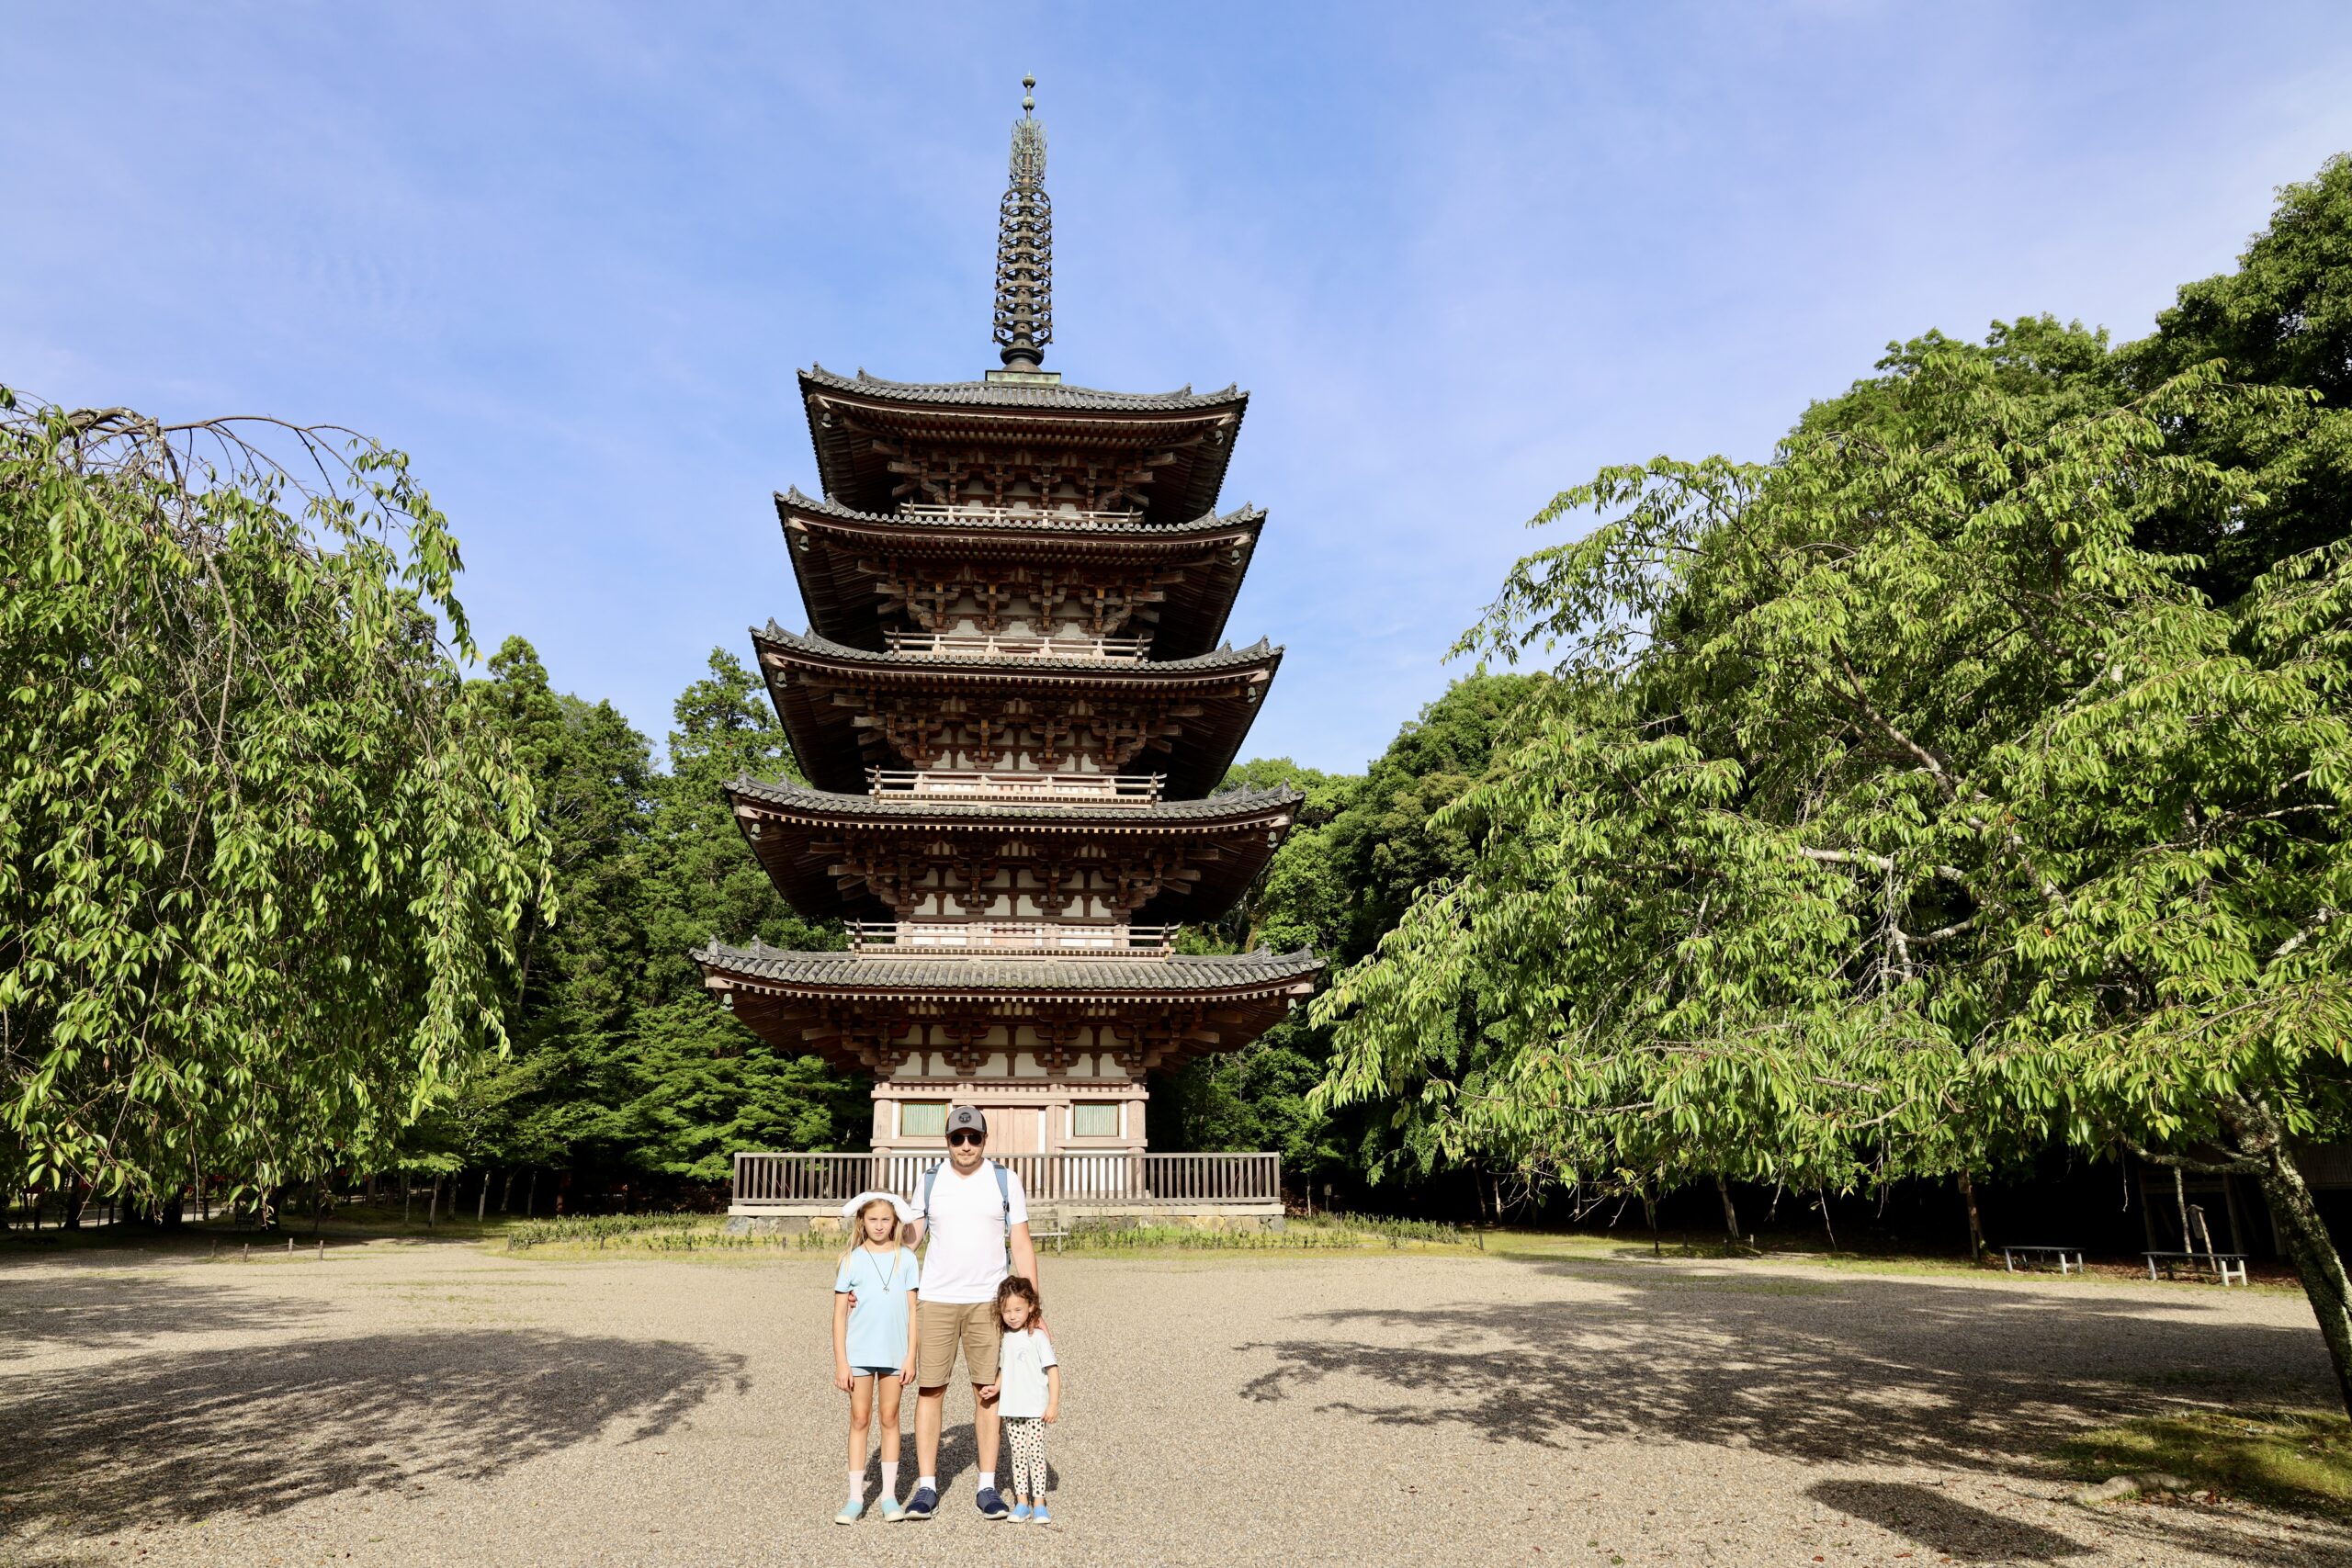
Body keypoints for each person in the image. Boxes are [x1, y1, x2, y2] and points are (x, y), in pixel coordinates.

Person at [899, 1106, 1040, 1521]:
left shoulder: (1004, 1179)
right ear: (946, 1140)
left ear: (984, 1140)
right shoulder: (929, 1180)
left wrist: (1033, 1308)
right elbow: (911, 1239)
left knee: (987, 1390)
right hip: (937, 1297)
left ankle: (987, 1485)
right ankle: (926, 1486)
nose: (965, 1146)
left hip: (988, 1299)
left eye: (973, 1138)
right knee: (931, 1388)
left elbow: (1021, 1242)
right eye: (958, 1138)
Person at [831, 1190, 919, 1524]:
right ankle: (855, 1497)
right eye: (873, 1220)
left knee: (890, 1417)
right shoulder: (851, 1259)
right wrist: (841, 1361)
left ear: (894, 1222)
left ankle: (888, 1495)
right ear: (862, 1222)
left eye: (885, 1219)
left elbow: (913, 1311)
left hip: (895, 1352)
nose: (879, 1225)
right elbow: (839, 1314)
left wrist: (911, 1356)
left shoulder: (906, 1259)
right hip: (860, 1352)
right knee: (859, 1418)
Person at [980, 1275, 1059, 1524]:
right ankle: (1022, 1502)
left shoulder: (1037, 1337)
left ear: (1031, 1307)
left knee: (1035, 1453)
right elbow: (1005, 1369)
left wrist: (1053, 1403)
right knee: (1017, 1454)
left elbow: (1053, 1371)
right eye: (1006, 1311)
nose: (1012, 1315)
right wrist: (996, 1388)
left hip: (1035, 1408)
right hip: (1011, 1407)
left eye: (1018, 1309)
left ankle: (1040, 1503)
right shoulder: (1006, 1338)